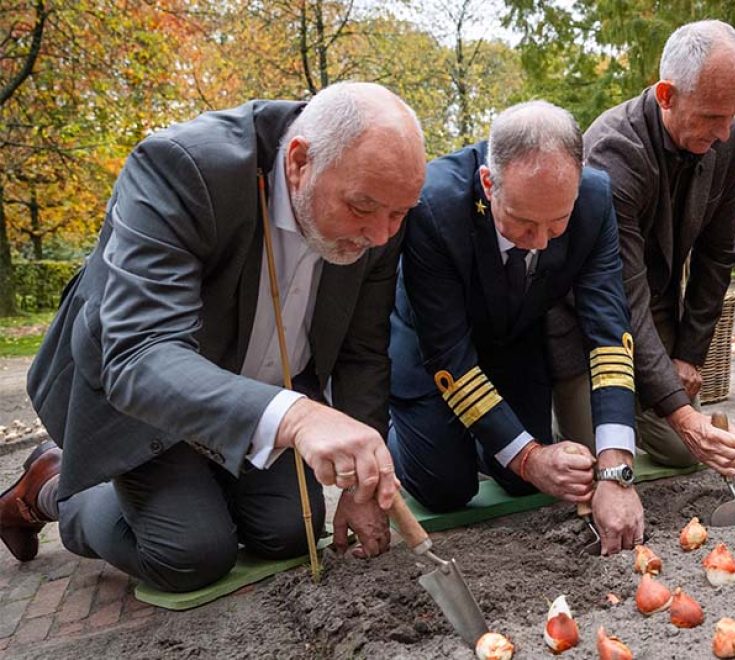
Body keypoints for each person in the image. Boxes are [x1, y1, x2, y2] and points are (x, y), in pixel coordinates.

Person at [0, 82, 427, 592]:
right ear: (298, 162)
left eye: (399, 214)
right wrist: (299, 417)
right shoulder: (181, 167)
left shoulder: (379, 205)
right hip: (146, 403)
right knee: (191, 553)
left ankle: (199, 488)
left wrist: (364, 482)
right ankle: (52, 485)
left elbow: (362, 351)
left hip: (261, 396)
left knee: (291, 533)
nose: (380, 236)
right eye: (361, 208)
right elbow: (139, 352)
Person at [388, 101, 643, 554]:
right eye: (524, 222)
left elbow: (609, 333)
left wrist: (616, 470)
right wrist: (528, 456)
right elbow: (449, 355)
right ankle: (399, 433)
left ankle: (491, 443)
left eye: (558, 222)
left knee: (526, 481)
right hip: (434, 353)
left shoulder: (594, 199)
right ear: (489, 183)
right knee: (445, 487)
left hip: (513, 339)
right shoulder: (434, 207)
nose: (541, 242)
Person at [548, 20, 735, 477]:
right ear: (666, 95)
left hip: (654, 314)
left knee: (684, 452)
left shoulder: (731, 137)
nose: (724, 132)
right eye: (711, 116)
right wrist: (680, 412)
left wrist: (689, 356)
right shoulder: (612, 153)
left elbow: (717, 256)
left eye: (733, 114)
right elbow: (623, 295)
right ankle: (564, 410)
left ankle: (643, 398)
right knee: (594, 463)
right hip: (587, 321)